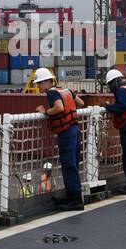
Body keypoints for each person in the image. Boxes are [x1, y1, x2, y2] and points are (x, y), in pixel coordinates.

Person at [34, 68, 85, 210]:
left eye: (39, 83)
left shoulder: (51, 93)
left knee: (68, 165)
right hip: (75, 129)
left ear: (46, 82)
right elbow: (80, 103)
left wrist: (45, 111)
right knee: (73, 164)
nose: (38, 86)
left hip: (66, 133)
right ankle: (72, 196)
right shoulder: (65, 90)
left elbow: (59, 108)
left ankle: (75, 201)